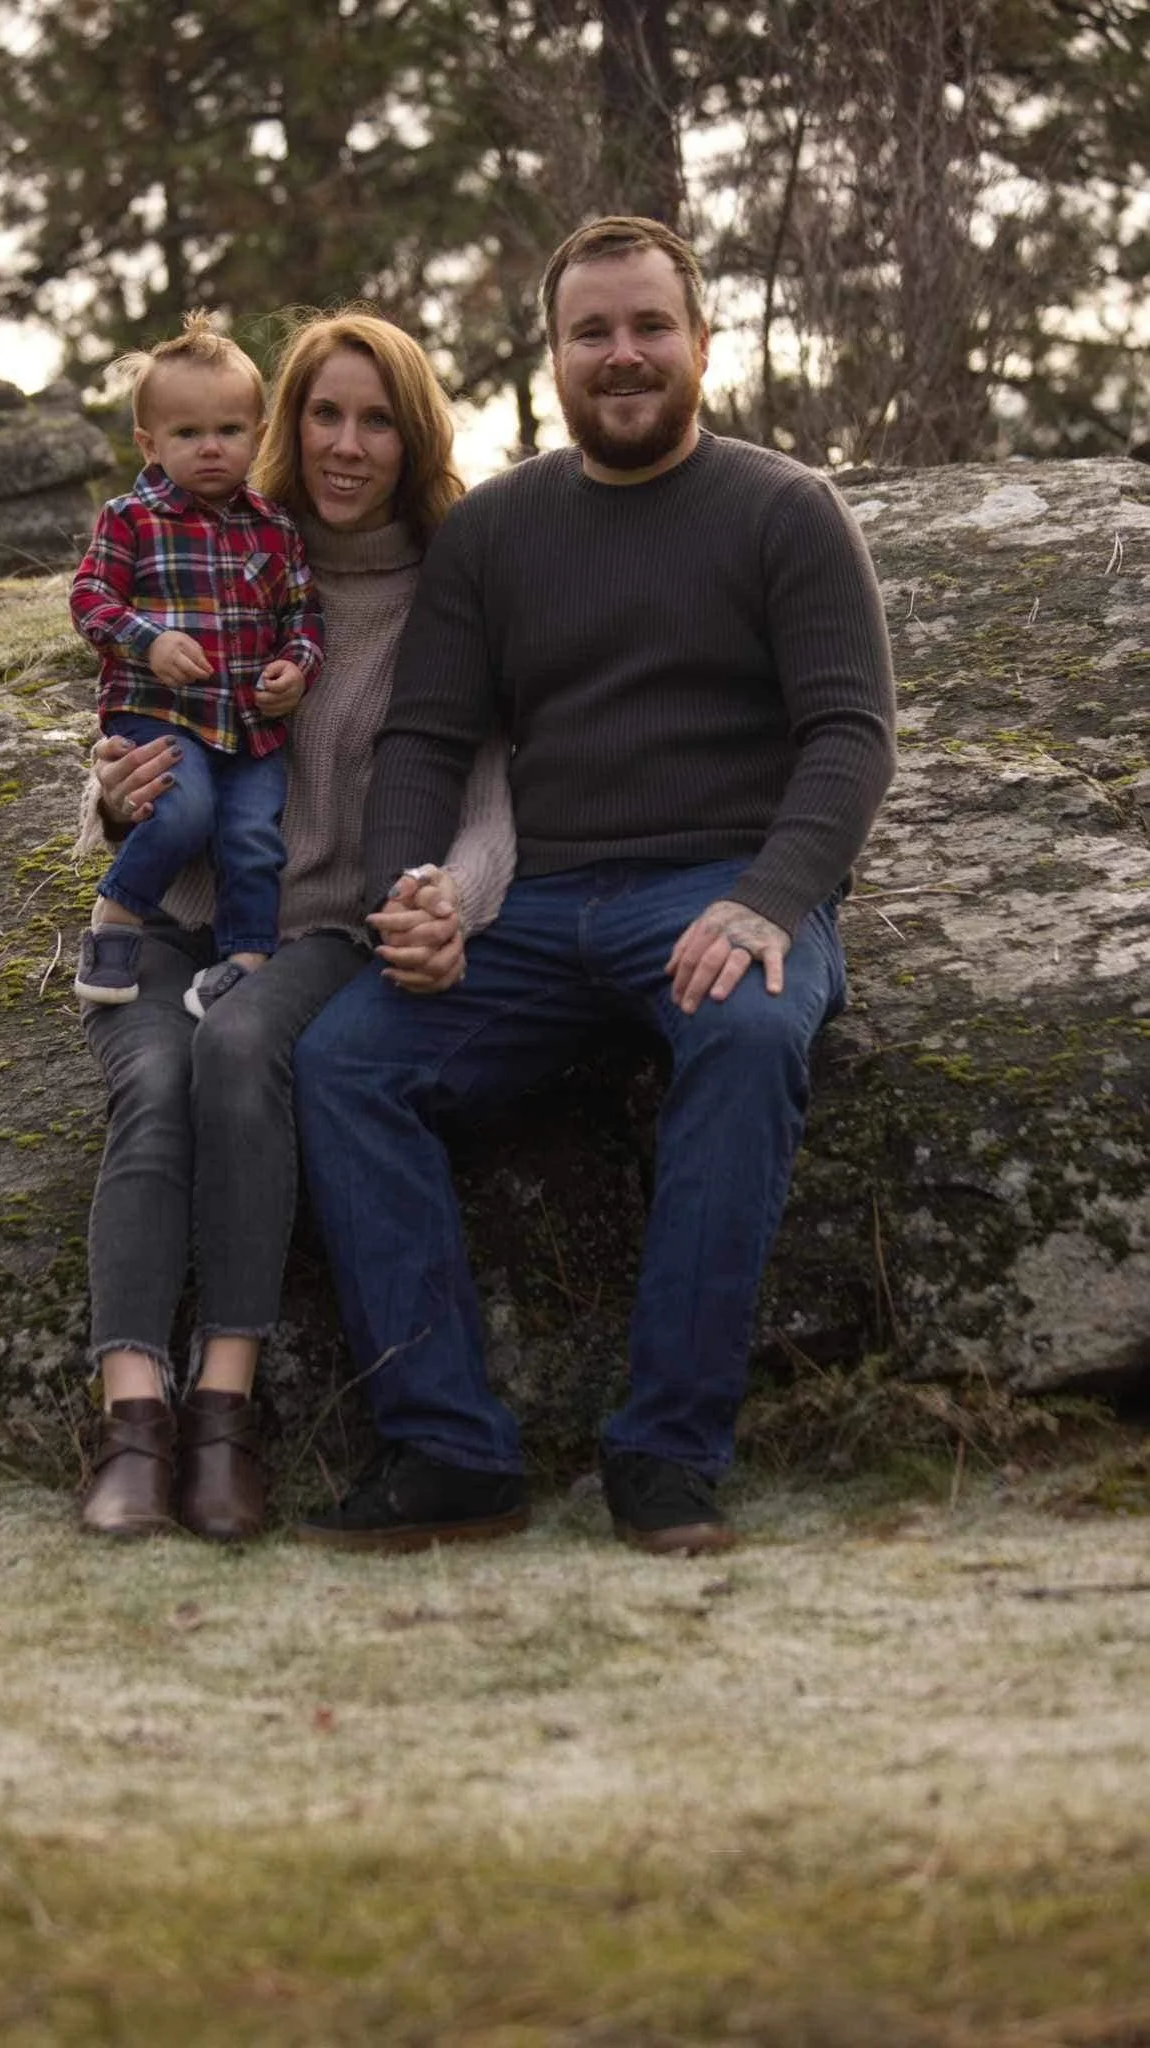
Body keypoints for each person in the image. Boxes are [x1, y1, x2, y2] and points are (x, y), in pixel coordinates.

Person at [292, 215, 897, 1557]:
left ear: (698, 340)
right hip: (539, 910)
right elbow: (428, 740)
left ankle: (667, 1456)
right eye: (592, 333)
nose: (621, 356)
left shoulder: (784, 510)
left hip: (723, 891)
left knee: (742, 1039)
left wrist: (771, 898)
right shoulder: (497, 533)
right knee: (343, 1062)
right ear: (553, 355)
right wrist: (414, 894)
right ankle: (450, 1453)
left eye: (648, 328)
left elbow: (850, 733)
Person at [72, 311, 515, 1542]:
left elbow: (489, 797)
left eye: (378, 418)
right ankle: (131, 1426)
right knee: (153, 1080)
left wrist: (454, 899)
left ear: (415, 434)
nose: (347, 442)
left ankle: (225, 1413)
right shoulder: (220, 542)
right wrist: (109, 794)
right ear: (286, 425)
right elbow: (127, 720)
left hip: (316, 928)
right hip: (172, 916)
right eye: (325, 412)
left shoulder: (453, 592)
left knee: (234, 1048)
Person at [69, 310, 325, 1016]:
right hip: (162, 713)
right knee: (182, 813)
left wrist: (296, 668)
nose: (210, 448)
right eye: (187, 433)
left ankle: (243, 957)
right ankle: (116, 919)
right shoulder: (130, 518)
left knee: (251, 836)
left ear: (259, 434)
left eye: (228, 430)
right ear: (149, 443)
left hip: (249, 727)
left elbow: (302, 614)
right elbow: (89, 596)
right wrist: (145, 639)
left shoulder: (274, 529)